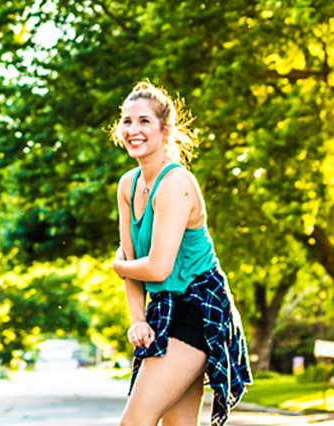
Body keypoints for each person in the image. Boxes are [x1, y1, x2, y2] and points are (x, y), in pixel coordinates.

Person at [110, 81, 252, 426]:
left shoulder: (175, 184)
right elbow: (131, 258)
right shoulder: (128, 185)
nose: (133, 130)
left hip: (198, 308)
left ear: (165, 130)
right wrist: (137, 319)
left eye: (144, 121)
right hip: (164, 307)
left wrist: (118, 266)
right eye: (127, 122)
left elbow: (156, 268)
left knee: (135, 421)